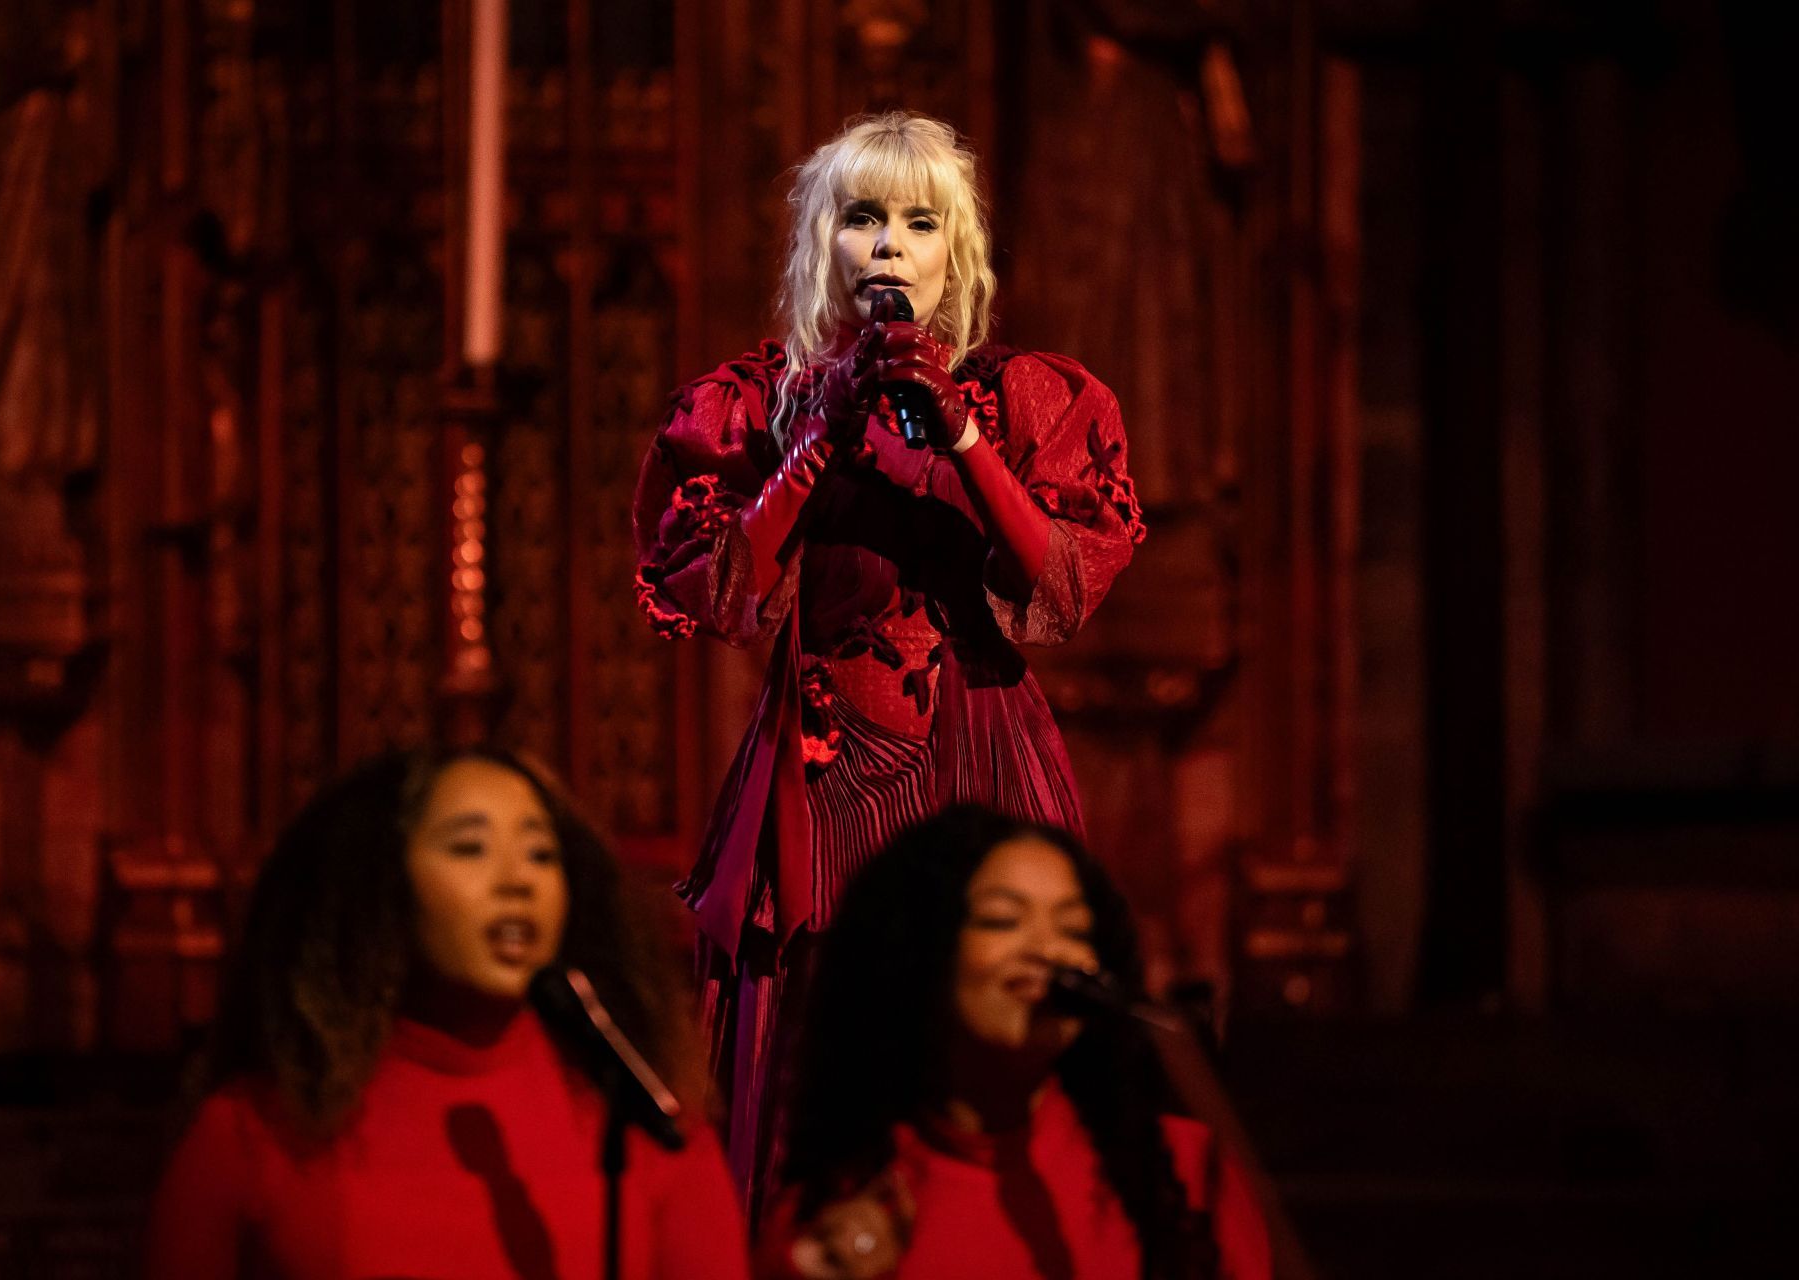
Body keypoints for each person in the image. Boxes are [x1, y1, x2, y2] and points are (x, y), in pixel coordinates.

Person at [632, 110, 1146, 1209]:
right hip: (823, 764)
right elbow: (718, 587)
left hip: (980, 745)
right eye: (863, 218)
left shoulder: (1027, 401)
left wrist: (954, 433)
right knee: (828, 1028)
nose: (887, 245)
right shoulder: (754, 406)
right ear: (823, 242)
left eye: (917, 222)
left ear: (952, 251)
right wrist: (817, 441)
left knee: (984, 993)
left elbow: (1058, 584)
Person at [145, 747, 749, 1280]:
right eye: (470, 848)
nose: (518, 882)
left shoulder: (642, 1117)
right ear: (382, 883)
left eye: (541, 854)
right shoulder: (253, 1131)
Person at [759, 805, 1271, 1280]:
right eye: (1003, 920)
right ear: (919, 953)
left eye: (1074, 929)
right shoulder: (836, 1215)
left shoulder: (1185, 1171)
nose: (1049, 952)